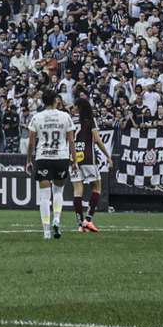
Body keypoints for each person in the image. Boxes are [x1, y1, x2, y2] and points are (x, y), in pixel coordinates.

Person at [26, 87, 75, 242]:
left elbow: (31, 143)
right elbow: (71, 141)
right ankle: (57, 219)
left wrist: (28, 160)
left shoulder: (37, 117)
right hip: (61, 157)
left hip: (43, 157)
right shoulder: (65, 116)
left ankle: (46, 231)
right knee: (59, 192)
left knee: (45, 197)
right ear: (56, 101)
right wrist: (74, 160)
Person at [69, 93, 111, 232]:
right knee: (97, 187)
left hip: (73, 158)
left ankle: (80, 225)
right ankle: (88, 220)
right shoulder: (90, 120)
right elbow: (98, 140)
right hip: (87, 157)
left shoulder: (70, 120)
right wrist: (108, 156)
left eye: (75, 106)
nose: (73, 108)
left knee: (77, 191)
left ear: (78, 107)